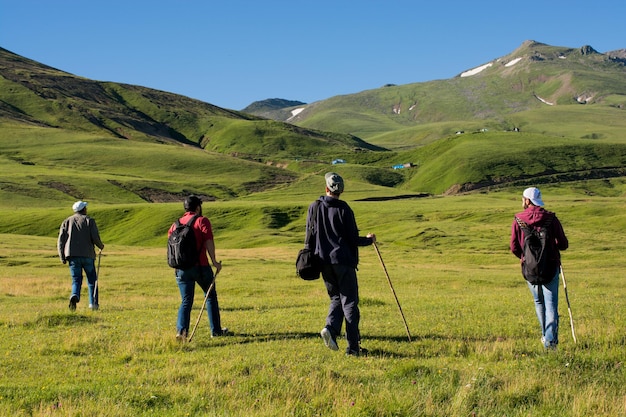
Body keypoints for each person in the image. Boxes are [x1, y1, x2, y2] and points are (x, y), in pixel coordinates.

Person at [307, 172, 376, 356]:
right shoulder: (344, 209)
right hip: (343, 261)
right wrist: (369, 240)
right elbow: (353, 239)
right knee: (350, 303)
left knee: (336, 298)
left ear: (326, 189)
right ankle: (353, 348)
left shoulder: (314, 207)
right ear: (341, 190)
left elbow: (309, 236)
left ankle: (330, 329)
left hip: (323, 262)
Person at [510, 187, 568, 349]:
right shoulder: (551, 218)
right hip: (550, 266)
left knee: (539, 302)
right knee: (551, 305)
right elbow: (563, 244)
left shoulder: (518, 219)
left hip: (529, 269)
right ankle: (550, 343)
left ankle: (546, 336)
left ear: (527, 201)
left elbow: (514, 247)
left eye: (523, 198)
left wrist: (525, 258)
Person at [168, 195, 225, 341]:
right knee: (210, 296)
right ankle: (216, 331)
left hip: (181, 269)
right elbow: (208, 241)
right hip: (201, 267)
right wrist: (214, 261)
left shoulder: (175, 225)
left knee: (186, 301)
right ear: (198, 207)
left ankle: (181, 333)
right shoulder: (201, 220)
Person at [57, 201, 105, 311]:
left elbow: (61, 240)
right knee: (92, 280)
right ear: (83, 209)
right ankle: (93, 304)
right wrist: (100, 246)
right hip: (88, 255)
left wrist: (62, 256)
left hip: (72, 255)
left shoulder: (67, 221)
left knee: (76, 279)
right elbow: (95, 237)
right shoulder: (89, 221)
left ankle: (75, 295)